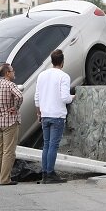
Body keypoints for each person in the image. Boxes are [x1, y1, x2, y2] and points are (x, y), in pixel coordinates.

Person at [34, 49, 75, 184]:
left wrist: (39, 112)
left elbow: (37, 98)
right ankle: (50, 173)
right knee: (53, 146)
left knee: (46, 145)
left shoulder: (42, 75)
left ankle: (45, 173)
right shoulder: (64, 76)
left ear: (52, 61)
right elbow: (65, 98)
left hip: (45, 114)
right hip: (57, 115)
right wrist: (72, 97)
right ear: (62, 62)